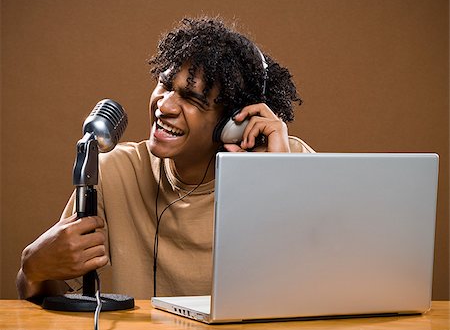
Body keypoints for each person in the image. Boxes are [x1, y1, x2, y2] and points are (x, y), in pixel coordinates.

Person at [16, 16, 314, 301]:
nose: (165, 106)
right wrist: (34, 269)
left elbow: (322, 279)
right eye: (165, 85)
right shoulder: (114, 172)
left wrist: (280, 178)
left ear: (233, 123)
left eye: (192, 98)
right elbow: (50, 298)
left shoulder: (287, 160)